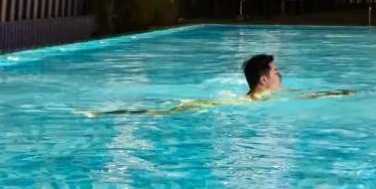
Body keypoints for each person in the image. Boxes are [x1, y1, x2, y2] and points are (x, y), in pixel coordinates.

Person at [82, 53, 353, 117]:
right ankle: (109, 113)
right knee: (166, 111)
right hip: (217, 105)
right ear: (263, 80)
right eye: (277, 72)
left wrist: (336, 93)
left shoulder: (269, 98)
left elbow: (305, 96)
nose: (281, 77)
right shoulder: (247, 102)